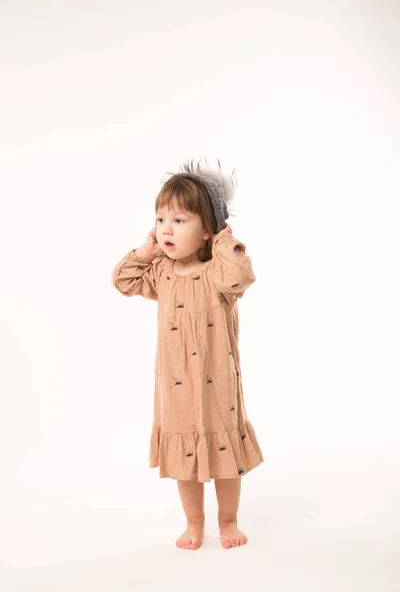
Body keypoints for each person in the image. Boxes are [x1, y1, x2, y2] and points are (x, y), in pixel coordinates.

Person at [111, 158, 264, 550]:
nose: (166, 229)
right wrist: (145, 251)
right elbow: (124, 282)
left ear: (208, 229)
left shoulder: (217, 273)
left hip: (219, 387)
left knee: (226, 455)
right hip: (176, 388)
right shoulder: (160, 271)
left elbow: (239, 276)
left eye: (179, 221)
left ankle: (227, 520)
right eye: (161, 219)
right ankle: (193, 523)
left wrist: (225, 243)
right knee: (184, 458)